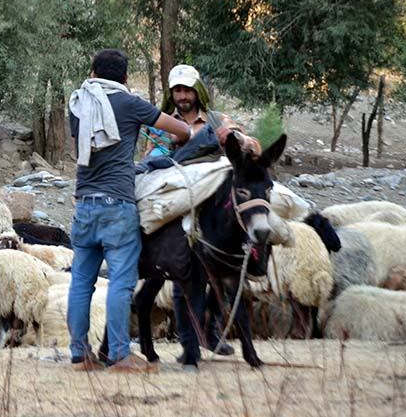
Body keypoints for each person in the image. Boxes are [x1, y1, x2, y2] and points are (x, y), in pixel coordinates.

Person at [66, 49, 193, 372]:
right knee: (121, 282)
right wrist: (189, 134)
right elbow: (179, 130)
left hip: (84, 205)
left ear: (93, 73)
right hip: (118, 206)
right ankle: (120, 354)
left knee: (81, 282)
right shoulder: (131, 103)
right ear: (124, 77)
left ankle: (80, 354)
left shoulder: (78, 104)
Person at [160, 64, 261, 364]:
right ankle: (189, 346)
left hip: (218, 206)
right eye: (177, 91)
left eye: (187, 90)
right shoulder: (164, 123)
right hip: (184, 201)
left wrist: (236, 138)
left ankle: (214, 332)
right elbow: (154, 159)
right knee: (183, 281)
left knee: (228, 276)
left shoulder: (218, 119)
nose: (182, 96)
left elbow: (253, 147)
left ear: (197, 92)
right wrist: (175, 144)